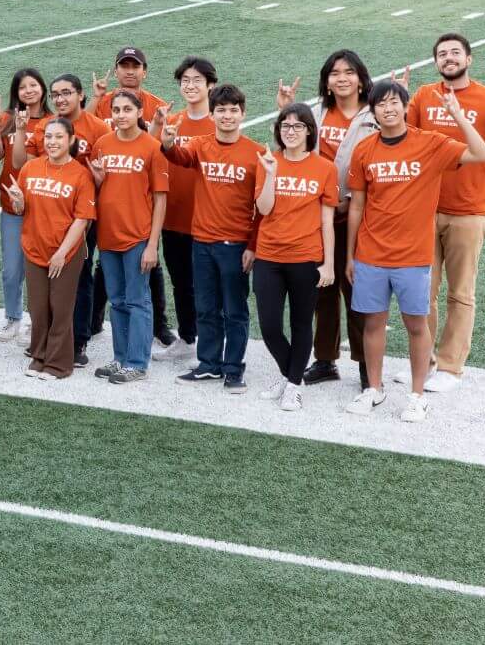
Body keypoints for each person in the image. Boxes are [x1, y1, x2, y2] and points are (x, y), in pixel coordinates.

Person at [344, 79, 485, 423]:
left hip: (413, 256)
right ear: (373, 110)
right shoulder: (364, 150)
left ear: (405, 106)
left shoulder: (430, 143)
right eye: (381, 104)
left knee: (416, 324)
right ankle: (374, 389)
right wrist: (351, 254)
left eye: (395, 102)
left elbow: (481, 153)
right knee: (373, 323)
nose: (388, 109)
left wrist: (457, 116)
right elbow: (356, 206)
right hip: (371, 254)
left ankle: (416, 394)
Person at [406, 33, 485, 392]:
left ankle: (449, 367)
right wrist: (397, 102)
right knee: (421, 292)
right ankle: (424, 360)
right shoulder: (423, 96)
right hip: (424, 209)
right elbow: (405, 141)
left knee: (460, 292)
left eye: (455, 52)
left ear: (469, 59)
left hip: (468, 210)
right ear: (436, 62)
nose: (448, 58)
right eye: (442, 54)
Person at [158, 84, 267, 393]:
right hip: (201, 242)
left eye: (233, 110)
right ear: (213, 113)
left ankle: (233, 368)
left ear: (243, 114)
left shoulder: (256, 153)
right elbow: (178, 156)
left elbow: (262, 208)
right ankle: (208, 363)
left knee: (235, 310)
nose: (227, 115)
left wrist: (253, 246)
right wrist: (166, 143)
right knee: (205, 307)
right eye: (221, 110)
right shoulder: (202, 144)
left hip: (234, 246)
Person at [279, 49, 378, 387]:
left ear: (362, 78)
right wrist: (285, 110)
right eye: (335, 73)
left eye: (349, 72)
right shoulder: (317, 112)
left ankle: (367, 364)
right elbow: (292, 147)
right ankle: (325, 360)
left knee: (356, 290)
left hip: (357, 215)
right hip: (318, 216)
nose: (342, 78)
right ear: (326, 80)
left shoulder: (373, 115)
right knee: (322, 289)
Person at [250, 103, 337, 411]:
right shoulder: (268, 161)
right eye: (285, 126)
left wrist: (328, 263)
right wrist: (271, 174)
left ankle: (291, 384)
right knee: (270, 326)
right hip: (269, 256)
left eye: (297, 126)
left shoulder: (325, 168)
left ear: (309, 131)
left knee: (301, 323)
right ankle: (293, 378)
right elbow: (263, 209)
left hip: (306, 258)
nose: (290, 131)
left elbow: (327, 221)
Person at [86, 90, 167, 383]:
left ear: (139, 112)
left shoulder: (152, 147)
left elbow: (160, 199)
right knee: (118, 300)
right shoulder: (102, 145)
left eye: (127, 109)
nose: (121, 115)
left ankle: (137, 362)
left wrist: (152, 245)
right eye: (116, 110)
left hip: (137, 237)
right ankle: (120, 358)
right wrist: (98, 180)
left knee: (138, 300)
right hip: (108, 237)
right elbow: (97, 190)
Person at [6, 117, 96, 380]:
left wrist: (62, 253)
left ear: (70, 140)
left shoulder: (81, 174)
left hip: (65, 253)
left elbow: (82, 219)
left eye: (58, 137)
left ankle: (59, 364)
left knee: (61, 307)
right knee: (38, 307)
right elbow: (21, 210)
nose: (52, 142)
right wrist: (18, 202)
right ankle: (39, 355)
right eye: (48, 137)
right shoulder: (31, 168)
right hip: (34, 248)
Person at [155, 56, 220, 357]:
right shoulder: (173, 121)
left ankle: (211, 342)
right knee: (181, 282)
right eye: (185, 81)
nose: (191, 86)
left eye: (197, 81)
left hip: (206, 220)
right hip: (173, 218)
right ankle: (187, 337)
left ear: (211, 85)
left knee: (206, 286)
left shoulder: (219, 121)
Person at [46, 74, 108, 366]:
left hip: (84, 214)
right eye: (55, 94)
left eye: (66, 93)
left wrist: (97, 180)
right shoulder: (49, 125)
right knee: (48, 274)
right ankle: (51, 334)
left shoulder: (97, 128)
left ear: (81, 95)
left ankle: (79, 339)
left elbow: (104, 177)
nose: (60, 99)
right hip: (50, 210)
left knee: (80, 274)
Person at [0, 67, 48, 343]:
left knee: (38, 268)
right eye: (23, 87)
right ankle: (13, 317)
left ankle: (37, 320)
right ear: (17, 92)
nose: (29, 91)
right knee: (12, 269)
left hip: (43, 207)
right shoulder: (8, 118)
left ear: (42, 89)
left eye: (33, 85)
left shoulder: (52, 121)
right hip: (11, 207)